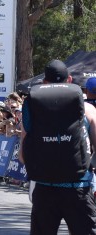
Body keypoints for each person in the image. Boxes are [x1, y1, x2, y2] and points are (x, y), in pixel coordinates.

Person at [19, 59, 96, 235]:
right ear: (69, 80)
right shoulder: (88, 109)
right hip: (79, 188)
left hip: (45, 189)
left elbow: (23, 156)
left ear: (45, 83)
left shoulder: (33, 109)